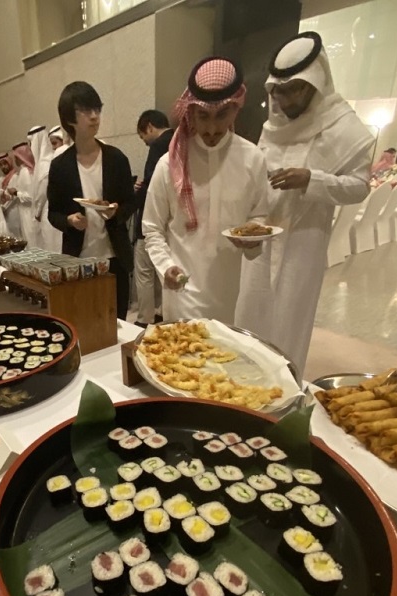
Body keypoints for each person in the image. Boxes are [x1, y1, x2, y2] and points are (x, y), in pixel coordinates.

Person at [235, 31, 373, 372]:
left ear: (314, 83)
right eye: (277, 92)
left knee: (288, 325)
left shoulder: (343, 126)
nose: (282, 100)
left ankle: (281, 396)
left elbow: (359, 186)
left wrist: (311, 179)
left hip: (303, 243)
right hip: (261, 242)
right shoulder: (274, 125)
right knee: (249, 323)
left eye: (291, 90)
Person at [143, 57, 269, 324]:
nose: (212, 128)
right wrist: (165, 267)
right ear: (191, 112)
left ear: (236, 108)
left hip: (230, 293)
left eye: (222, 114)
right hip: (182, 291)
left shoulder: (253, 159)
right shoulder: (169, 164)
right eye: (203, 116)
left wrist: (254, 237)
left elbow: (259, 216)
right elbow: (152, 227)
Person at [48, 81, 136, 315]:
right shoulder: (60, 166)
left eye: (97, 109)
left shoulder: (116, 159)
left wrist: (117, 211)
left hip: (115, 257)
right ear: (69, 119)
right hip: (79, 259)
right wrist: (70, 220)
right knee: (85, 320)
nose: (95, 116)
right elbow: (53, 213)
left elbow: (130, 202)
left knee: (119, 323)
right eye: (86, 111)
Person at [133, 109, 173, 325]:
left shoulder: (158, 145)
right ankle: (161, 312)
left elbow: (150, 187)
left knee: (145, 272)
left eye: (143, 137)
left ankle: (144, 319)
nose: (145, 142)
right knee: (163, 269)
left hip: (151, 220)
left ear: (148, 126)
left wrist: (132, 199)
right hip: (172, 221)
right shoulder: (181, 140)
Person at [28, 124, 59, 250]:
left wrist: (38, 211)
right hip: (50, 210)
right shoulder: (48, 160)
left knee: (52, 245)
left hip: (47, 210)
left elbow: (43, 193)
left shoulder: (45, 163)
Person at [12, 140, 41, 246]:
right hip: (27, 212)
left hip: (28, 213)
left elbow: (30, 197)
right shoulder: (28, 170)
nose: (15, 160)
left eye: (16, 157)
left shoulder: (25, 172)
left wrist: (16, 193)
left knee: (32, 242)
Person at [0, 150, 22, 237]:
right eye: (1, 165)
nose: (3, 167)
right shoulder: (0, 179)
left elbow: (14, 197)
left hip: (14, 210)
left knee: (17, 234)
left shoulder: (16, 176)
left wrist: (4, 207)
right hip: (4, 211)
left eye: (5, 164)